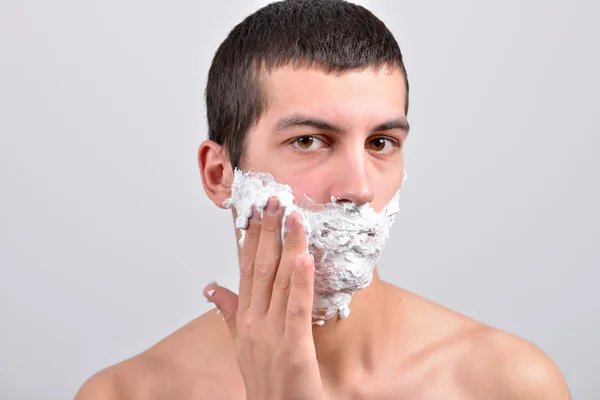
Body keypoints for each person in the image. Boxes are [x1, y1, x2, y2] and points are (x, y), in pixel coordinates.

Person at [75, 0, 571, 398]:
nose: (358, 187)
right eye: (309, 140)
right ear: (220, 174)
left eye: (381, 143)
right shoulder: (130, 393)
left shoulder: (506, 384)